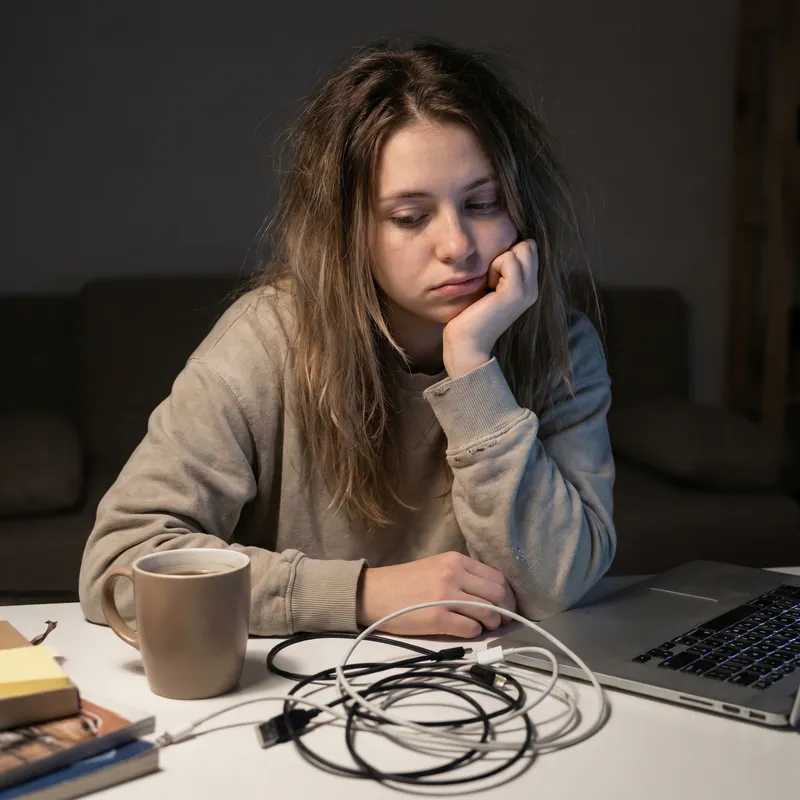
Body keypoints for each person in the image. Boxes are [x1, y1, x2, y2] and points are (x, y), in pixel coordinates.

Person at [79, 37, 616, 639]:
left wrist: (471, 368)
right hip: (299, 679)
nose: (458, 245)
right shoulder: (264, 342)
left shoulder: (561, 344)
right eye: (409, 217)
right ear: (347, 229)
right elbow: (118, 568)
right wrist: (361, 594)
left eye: (483, 203)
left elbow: (555, 582)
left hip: (498, 676)